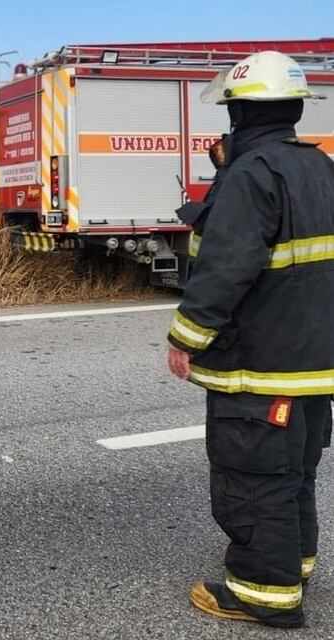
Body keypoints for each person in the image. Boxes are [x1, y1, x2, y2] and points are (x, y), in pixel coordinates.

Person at [167, 51, 334, 629]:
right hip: (311, 364)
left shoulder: (250, 174)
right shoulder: (319, 167)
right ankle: (294, 562)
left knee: (254, 474)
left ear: (238, 114)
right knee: (293, 472)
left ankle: (265, 591)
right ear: (293, 109)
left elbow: (226, 268)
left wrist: (185, 338)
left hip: (261, 365)